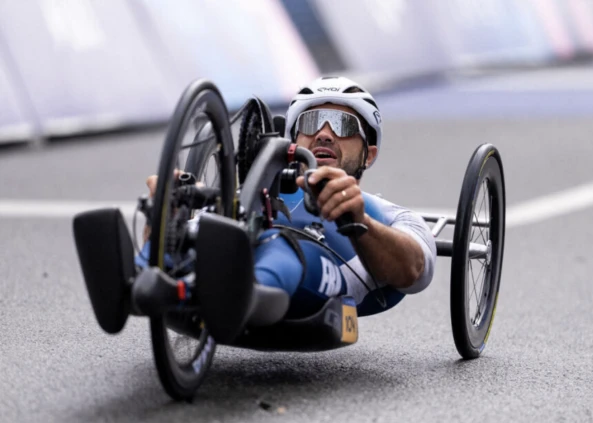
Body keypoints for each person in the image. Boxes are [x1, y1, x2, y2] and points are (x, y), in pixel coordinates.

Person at [143, 76, 436, 318]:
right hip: (237, 260)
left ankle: (224, 295)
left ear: (368, 155)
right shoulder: (247, 195)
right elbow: (177, 238)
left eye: (342, 125)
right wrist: (166, 212)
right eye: (311, 123)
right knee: (184, 226)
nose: (324, 133)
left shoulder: (388, 215)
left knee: (283, 246)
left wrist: (360, 220)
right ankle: (135, 278)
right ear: (294, 142)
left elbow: (415, 270)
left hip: (312, 269)